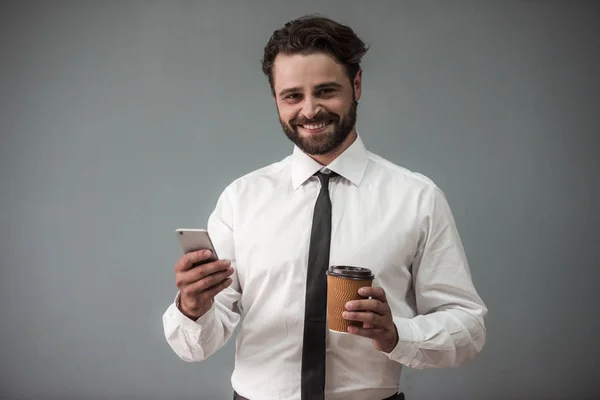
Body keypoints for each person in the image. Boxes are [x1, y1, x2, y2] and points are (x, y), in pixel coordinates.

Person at [162, 14, 487, 400]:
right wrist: (192, 306)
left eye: (326, 90)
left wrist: (397, 334)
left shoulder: (417, 198)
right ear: (277, 100)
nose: (310, 110)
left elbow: (468, 328)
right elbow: (193, 346)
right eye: (293, 95)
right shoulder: (241, 199)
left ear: (357, 84)